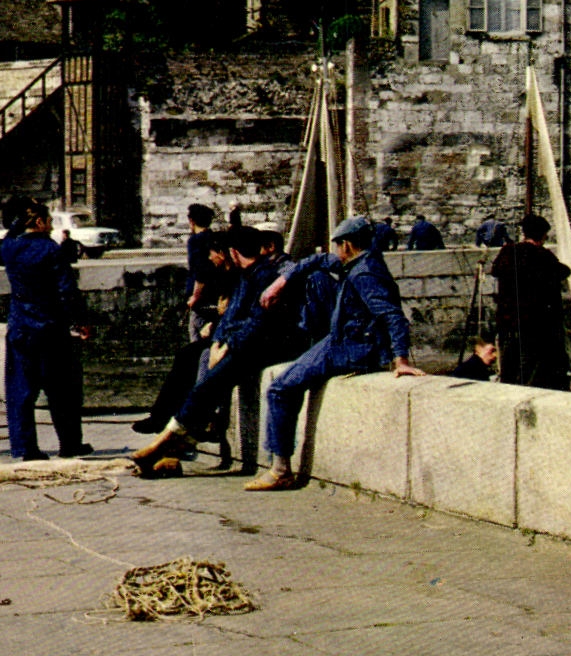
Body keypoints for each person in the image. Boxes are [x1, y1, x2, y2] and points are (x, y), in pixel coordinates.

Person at [247, 215, 424, 491]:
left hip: (350, 348)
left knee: (280, 389)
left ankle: (281, 469)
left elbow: (393, 317)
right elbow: (315, 261)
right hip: (342, 341)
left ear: (347, 245)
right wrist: (280, 283)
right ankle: (279, 465)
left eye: (338, 246)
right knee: (316, 277)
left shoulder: (364, 274)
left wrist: (400, 360)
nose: (336, 252)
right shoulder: (360, 262)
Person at [130, 225, 289, 475]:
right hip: (244, 343)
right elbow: (230, 318)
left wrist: (228, 344)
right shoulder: (248, 276)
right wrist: (219, 341)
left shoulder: (264, 276)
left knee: (216, 378)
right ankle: (177, 442)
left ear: (233, 253)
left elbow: (257, 323)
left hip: (266, 347)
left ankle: (169, 439)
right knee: (207, 363)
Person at [0, 202, 91, 460]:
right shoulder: (52, 250)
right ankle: (70, 443)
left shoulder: (9, 248)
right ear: (39, 222)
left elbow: (10, 233)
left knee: (21, 390)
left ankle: (24, 447)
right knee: (63, 390)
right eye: (48, 219)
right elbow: (67, 290)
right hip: (51, 327)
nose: (52, 224)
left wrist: (23, 217)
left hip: (21, 326)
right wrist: (80, 320)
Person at [491, 213, 571, 390]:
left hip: (508, 322)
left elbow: (495, 270)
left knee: (510, 370)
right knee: (535, 373)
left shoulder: (508, 252)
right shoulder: (543, 256)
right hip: (535, 326)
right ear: (543, 235)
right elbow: (564, 272)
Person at [183, 203, 216, 342]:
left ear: (192, 221)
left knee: (196, 337)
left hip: (201, 298)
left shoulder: (195, 240)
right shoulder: (213, 237)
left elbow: (200, 270)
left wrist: (195, 296)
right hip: (214, 296)